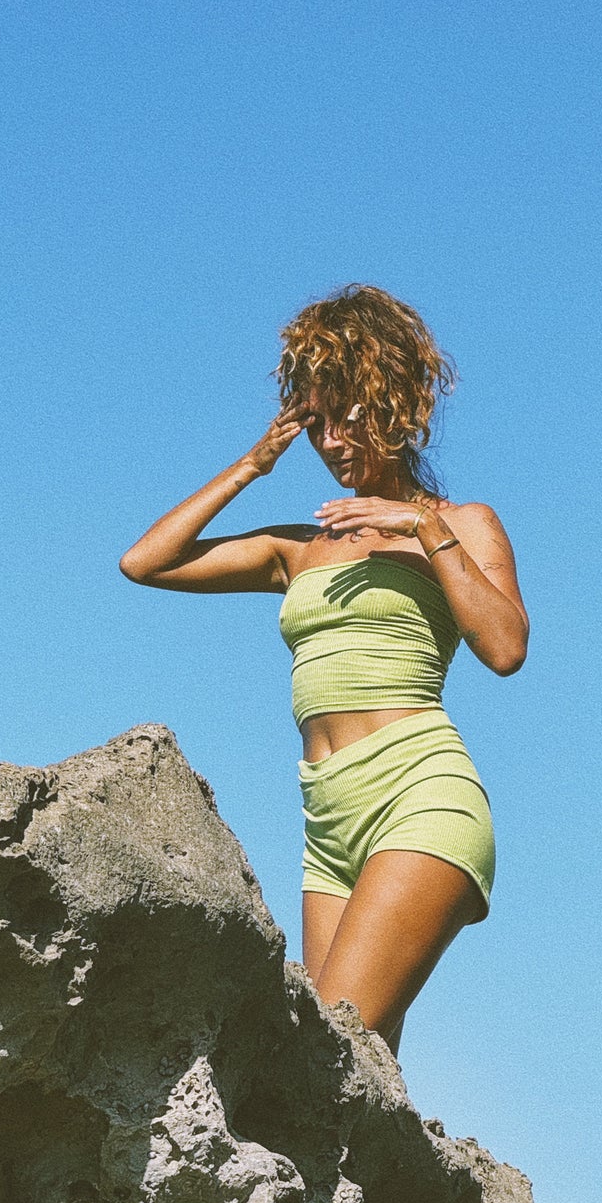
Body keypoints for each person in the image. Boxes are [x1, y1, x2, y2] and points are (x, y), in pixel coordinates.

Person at [119, 284, 528, 1056]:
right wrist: (252, 463)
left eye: (348, 416)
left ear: (396, 405)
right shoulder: (299, 547)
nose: (332, 441)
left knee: (322, 1060)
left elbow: (504, 647)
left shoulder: (463, 524)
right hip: (326, 820)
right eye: (316, 423)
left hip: (419, 794)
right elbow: (146, 561)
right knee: (349, 1088)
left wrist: (424, 528)